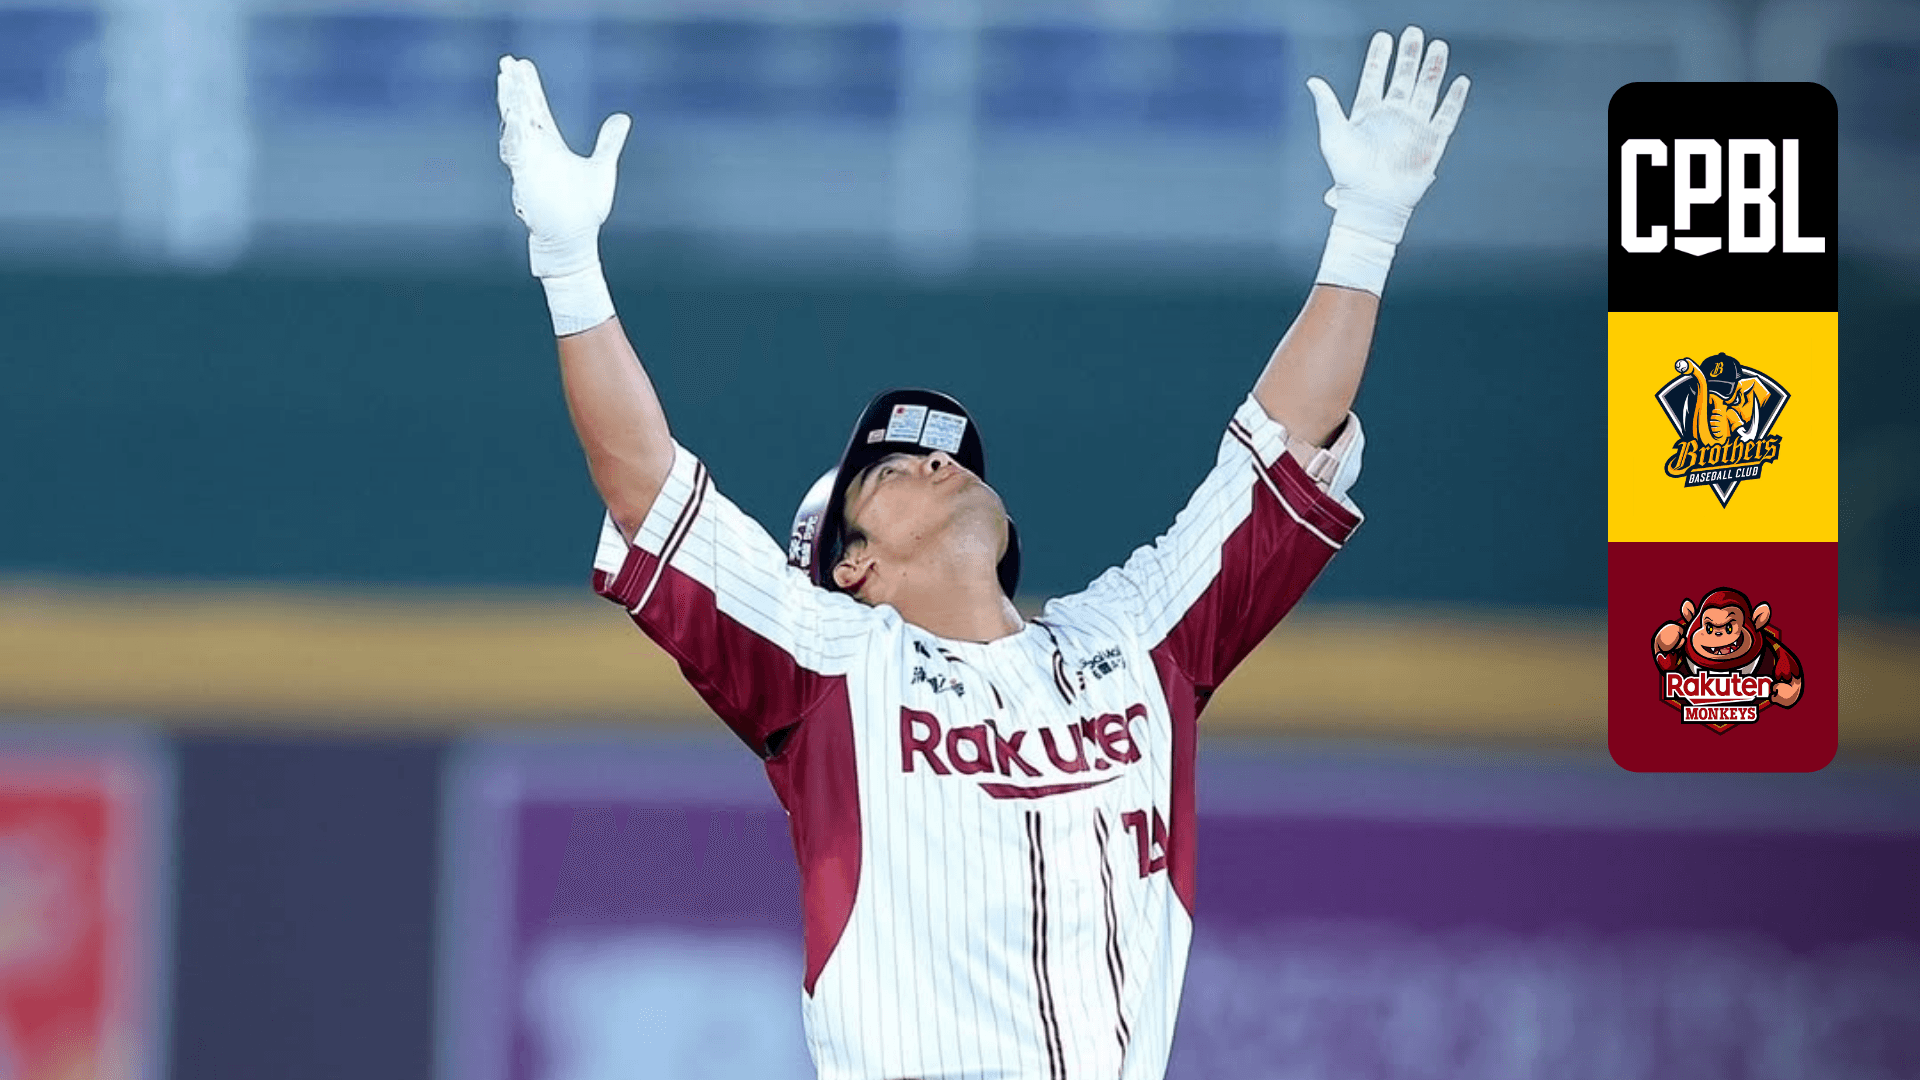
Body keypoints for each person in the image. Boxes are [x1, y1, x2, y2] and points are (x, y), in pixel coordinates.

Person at [497, 25, 1468, 1080]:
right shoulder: (835, 665)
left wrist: (1367, 226)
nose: (932, 462)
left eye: (940, 455)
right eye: (888, 472)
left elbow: (1277, 448)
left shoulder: (1136, 639)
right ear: (852, 569)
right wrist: (569, 264)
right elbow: (646, 483)